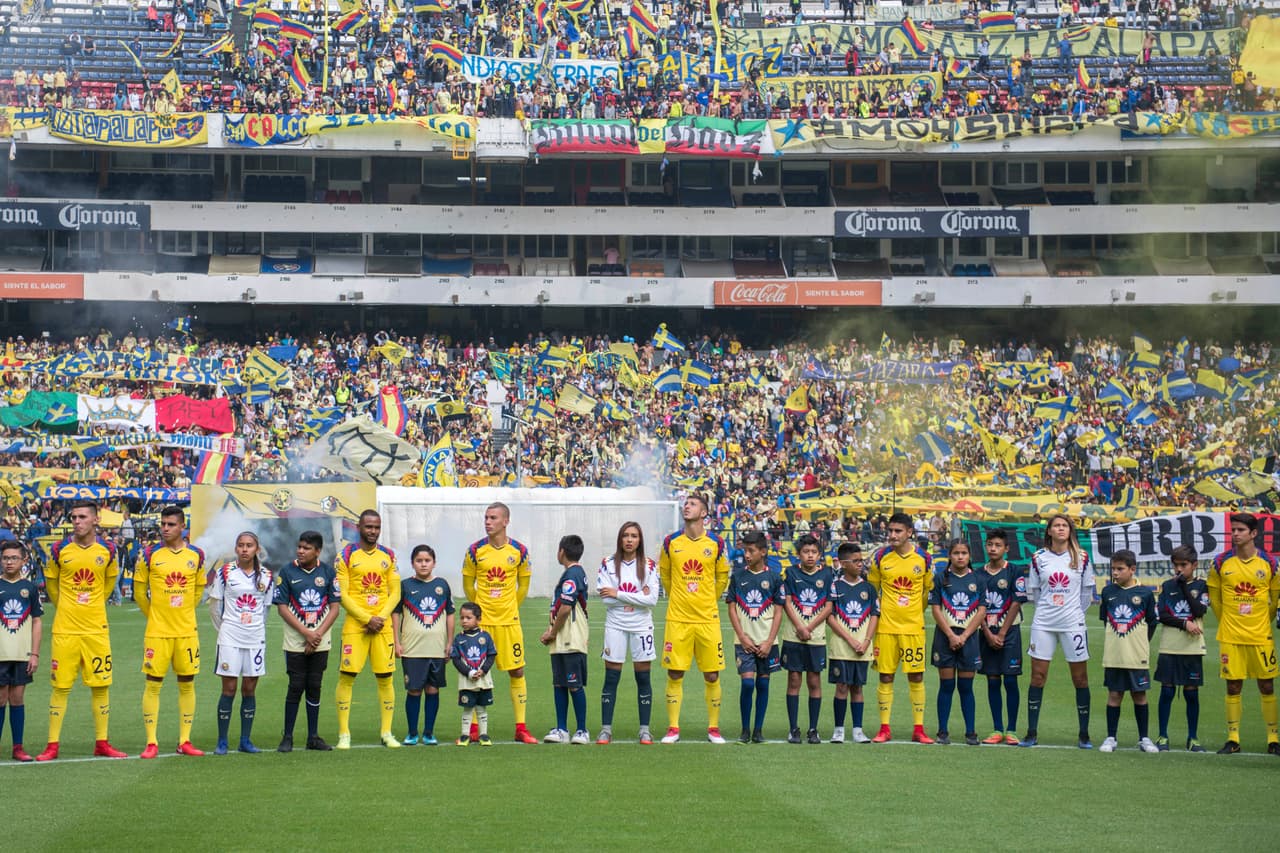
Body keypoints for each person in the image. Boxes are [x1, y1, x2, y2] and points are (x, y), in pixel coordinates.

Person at [37, 501, 127, 761]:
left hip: (96, 630)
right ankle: (52, 745)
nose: (76, 521)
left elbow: (111, 580)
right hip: (65, 629)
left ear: (96, 519)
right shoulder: (58, 549)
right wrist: (66, 605)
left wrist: (96, 602)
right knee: (60, 687)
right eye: (73, 517)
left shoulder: (108, 549)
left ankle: (102, 742)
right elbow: (52, 585)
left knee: (101, 685)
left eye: (82, 517)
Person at [134, 505, 207, 759]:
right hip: (158, 632)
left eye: (171, 524)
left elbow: (198, 590)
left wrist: (184, 611)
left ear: (182, 527)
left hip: (187, 632)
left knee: (187, 683)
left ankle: (184, 740)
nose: (165, 529)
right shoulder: (149, 554)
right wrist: (155, 615)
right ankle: (151, 742)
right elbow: (138, 593)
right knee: (153, 684)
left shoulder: (196, 555)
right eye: (163, 524)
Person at [658, 494, 731, 744]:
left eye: (693, 504)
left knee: (712, 675)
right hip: (678, 619)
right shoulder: (671, 542)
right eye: (685, 503)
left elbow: (722, 577)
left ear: (703, 513)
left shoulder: (716, 544)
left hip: (707, 620)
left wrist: (709, 598)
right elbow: (665, 575)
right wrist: (678, 597)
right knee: (675, 672)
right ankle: (673, 728)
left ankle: (713, 728)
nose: (686, 506)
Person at [462, 502, 537, 744]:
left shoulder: (519, 551)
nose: (487, 522)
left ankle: (521, 728)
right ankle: (473, 730)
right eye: (486, 517)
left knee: (517, 670)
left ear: (505, 521)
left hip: (509, 622)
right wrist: (480, 611)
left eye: (493, 517)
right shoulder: (475, 551)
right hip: (482, 625)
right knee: (476, 672)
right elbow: (468, 585)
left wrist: (510, 606)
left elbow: (523, 584)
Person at [1207, 512, 1280, 755]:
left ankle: (1273, 739)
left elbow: (1275, 601)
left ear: (1254, 534)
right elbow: (1215, 601)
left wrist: (1261, 622)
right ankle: (1233, 738)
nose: (1235, 534)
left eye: (1240, 530)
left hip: (1260, 636)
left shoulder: (1270, 564)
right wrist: (1229, 622)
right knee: (1233, 687)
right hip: (1230, 637)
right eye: (1233, 530)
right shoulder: (1220, 563)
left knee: (1267, 686)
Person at [1021, 514, 1095, 749]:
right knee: (1038, 677)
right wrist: (1048, 609)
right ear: (1049, 531)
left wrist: (1073, 613)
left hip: (1072, 623)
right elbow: (1033, 592)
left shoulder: (1082, 557)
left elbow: (1087, 593)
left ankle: (1084, 734)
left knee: (1080, 678)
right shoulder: (1038, 558)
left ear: (1070, 531)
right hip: (1043, 623)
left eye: (1065, 525)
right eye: (1057, 526)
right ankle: (1031, 732)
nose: (1061, 529)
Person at [334, 509, 402, 750]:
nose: (373, 531)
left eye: (376, 527)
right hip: (356, 626)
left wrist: (380, 618)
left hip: (382, 626)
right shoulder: (346, 555)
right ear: (359, 527)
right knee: (347, 676)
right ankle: (344, 734)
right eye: (368, 527)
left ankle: (386, 732)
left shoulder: (389, 556)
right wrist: (366, 618)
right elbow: (342, 594)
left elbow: (395, 592)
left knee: (385, 678)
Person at [867, 512, 935, 744]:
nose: (892, 535)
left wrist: (914, 613)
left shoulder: (924, 559)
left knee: (916, 676)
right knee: (886, 676)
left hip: (914, 628)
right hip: (886, 628)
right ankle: (884, 728)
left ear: (909, 533)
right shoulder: (880, 557)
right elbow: (872, 590)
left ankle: (919, 729)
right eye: (890, 531)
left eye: (898, 531)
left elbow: (926, 591)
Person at [207, 532, 273, 755]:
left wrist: (255, 628)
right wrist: (225, 628)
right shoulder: (225, 572)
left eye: (249, 545)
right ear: (236, 549)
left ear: (257, 548)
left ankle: (245, 740)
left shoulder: (266, 575)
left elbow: (266, 608)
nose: (245, 549)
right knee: (229, 688)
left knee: (249, 688)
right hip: (230, 637)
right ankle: (222, 741)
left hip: (255, 638)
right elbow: (215, 605)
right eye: (241, 545)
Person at [273, 530, 340, 752]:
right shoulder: (287, 571)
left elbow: (335, 607)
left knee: (314, 686)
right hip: (295, 641)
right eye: (299, 547)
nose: (301, 551)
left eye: (306, 548)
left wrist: (317, 633)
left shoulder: (328, 572)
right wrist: (307, 633)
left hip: (321, 640)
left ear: (318, 551)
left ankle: (313, 737)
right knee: (295, 687)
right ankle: (288, 736)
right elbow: (282, 608)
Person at [595, 521, 659, 745]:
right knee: (611, 677)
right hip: (615, 624)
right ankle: (605, 730)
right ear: (620, 539)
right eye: (626, 536)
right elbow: (605, 599)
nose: (630, 540)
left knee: (643, 677)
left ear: (640, 540)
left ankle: (644, 730)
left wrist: (618, 593)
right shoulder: (608, 563)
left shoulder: (650, 565)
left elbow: (651, 600)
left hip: (641, 625)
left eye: (634, 536)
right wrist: (633, 597)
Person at [392, 544, 454, 746]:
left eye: (427, 560)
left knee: (433, 690)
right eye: (419, 560)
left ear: (434, 563)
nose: (423, 564)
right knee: (414, 690)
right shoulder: (404, 586)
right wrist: (397, 641)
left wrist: (449, 643)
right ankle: (411, 733)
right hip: (412, 649)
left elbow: (450, 614)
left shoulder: (442, 585)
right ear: (412, 563)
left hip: (436, 648)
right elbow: (395, 613)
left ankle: (429, 732)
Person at [725, 529, 783, 744]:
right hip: (744, 641)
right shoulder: (738, 576)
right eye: (745, 550)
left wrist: (769, 641)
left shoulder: (774, 577)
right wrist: (742, 636)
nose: (747, 555)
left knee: (763, 685)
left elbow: (778, 612)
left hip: (767, 643)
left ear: (763, 552)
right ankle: (744, 729)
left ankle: (758, 730)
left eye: (751, 551)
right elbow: (731, 608)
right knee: (748, 684)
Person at [1098, 550, 1159, 753]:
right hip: (1114, 654)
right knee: (1114, 694)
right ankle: (1110, 737)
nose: (1115, 573)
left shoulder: (1145, 594)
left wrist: (1141, 643)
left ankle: (1144, 738)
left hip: (1137, 655)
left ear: (1132, 569)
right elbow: (1105, 620)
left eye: (1120, 569)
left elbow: (1152, 622)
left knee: (1139, 695)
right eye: (1113, 569)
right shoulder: (1107, 593)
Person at [930, 540, 987, 746]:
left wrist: (963, 636)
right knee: (946, 685)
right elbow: (936, 609)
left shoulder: (978, 579)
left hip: (969, 638)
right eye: (956, 553)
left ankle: (970, 732)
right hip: (945, 638)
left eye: (964, 553)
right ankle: (942, 731)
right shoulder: (940, 579)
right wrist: (951, 635)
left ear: (969, 555)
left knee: (966, 687)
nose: (960, 557)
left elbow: (981, 610)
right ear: (950, 556)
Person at [1154, 544, 1208, 752]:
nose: (1179, 569)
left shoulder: (1202, 586)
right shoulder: (1167, 585)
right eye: (1176, 565)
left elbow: (1199, 610)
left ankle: (1192, 738)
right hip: (1170, 646)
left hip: (1192, 648)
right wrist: (1184, 624)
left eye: (1183, 565)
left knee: (1191, 693)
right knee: (1166, 692)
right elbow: (1162, 616)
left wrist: (1185, 586)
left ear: (1194, 565)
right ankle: (1162, 736)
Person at [780, 534, 832, 744]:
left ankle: (813, 728)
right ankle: (793, 728)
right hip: (793, 636)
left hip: (816, 637)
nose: (810, 556)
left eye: (813, 552)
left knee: (814, 680)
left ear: (819, 555)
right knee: (794, 679)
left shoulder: (827, 575)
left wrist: (809, 627)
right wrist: (800, 627)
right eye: (805, 552)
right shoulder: (791, 573)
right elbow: (787, 602)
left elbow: (829, 606)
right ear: (799, 554)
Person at [826, 542, 878, 745]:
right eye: (856, 561)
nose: (861, 564)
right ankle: (839, 730)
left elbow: (874, 615)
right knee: (841, 687)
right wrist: (849, 639)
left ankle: (858, 729)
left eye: (862, 561)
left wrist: (865, 641)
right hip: (841, 648)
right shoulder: (835, 587)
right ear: (844, 563)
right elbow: (830, 617)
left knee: (857, 688)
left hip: (862, 649)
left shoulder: (868, 588)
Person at [978, 529, 1027, 745]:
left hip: (1010, 632)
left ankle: (1012, 729)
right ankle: (997, 729)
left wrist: (1002, 633)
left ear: (1006, 548)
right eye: (990, 544)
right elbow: (976, 607)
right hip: (986, 633)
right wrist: (988, 633)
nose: (993, 548)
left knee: (1010, 679)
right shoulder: (978, 574)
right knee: (992, 680)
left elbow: (1016, 602)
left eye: (998, 545)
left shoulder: (1015, 571)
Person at [540, 534, 590, 744]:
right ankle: (562, 729)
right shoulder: (572, 573)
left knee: (573, 684)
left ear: (561, 551)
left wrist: (552, 632)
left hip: (571, 638)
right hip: (561, 639)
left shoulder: (572, 574)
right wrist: (551, 631)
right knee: (559, 683)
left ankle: (582, 730)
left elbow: (566, 608)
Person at [0, 541, 41, 762]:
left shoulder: (30, 588)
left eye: (13, 558)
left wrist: (34, 653)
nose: (9, 562)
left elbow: (36, 621)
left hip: (22, 653)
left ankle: (18, 747)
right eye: (5, 558)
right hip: (1, 653)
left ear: (23, 560)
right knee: (0, 698)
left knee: (17, 698)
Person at [450, 602, 496, 747]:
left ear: (478, 619)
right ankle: (465, 735)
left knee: (482, 708)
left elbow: (491, 655)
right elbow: (456, 659)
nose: (464, 621)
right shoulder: (459, 639)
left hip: (484, 680)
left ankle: (484, 735)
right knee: (468, 708)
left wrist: (484, 670)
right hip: (466, 681)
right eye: (462, 617)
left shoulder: (485, 637)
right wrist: (469, 672)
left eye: (468, 617)